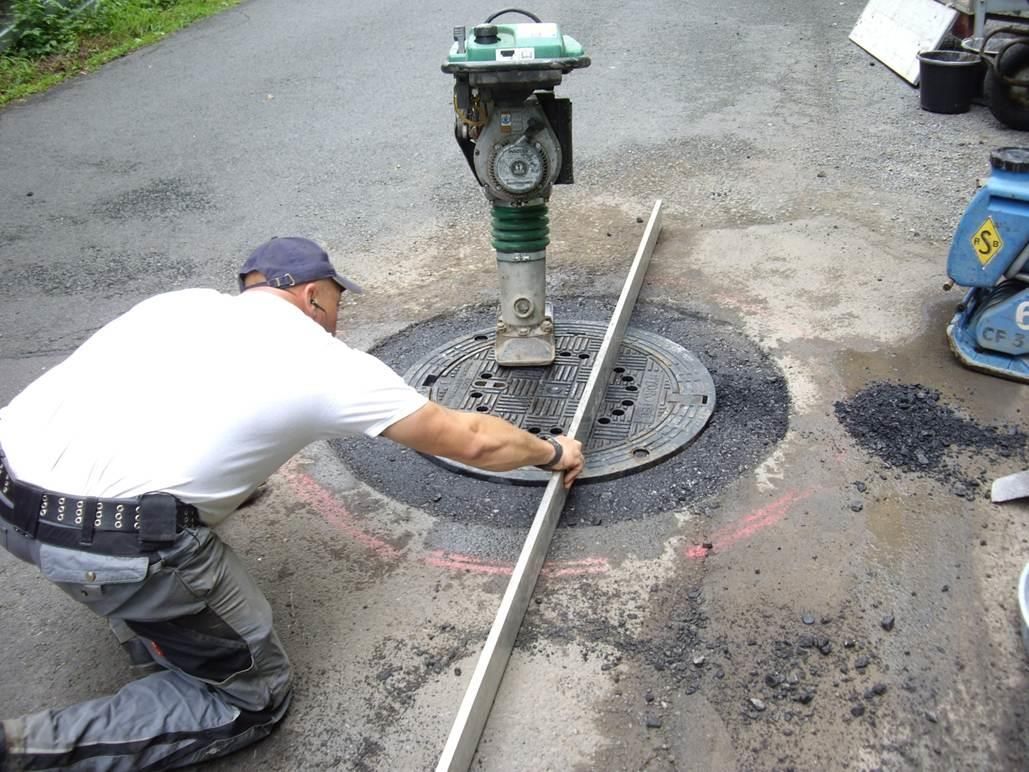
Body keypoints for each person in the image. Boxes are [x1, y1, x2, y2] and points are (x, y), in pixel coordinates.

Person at [0, 236, 584, 770]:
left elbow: (148, 395)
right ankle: (32, 746)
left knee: (132, 551)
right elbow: (474, 439)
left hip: (10, 492)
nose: (335, 321)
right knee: (252, 698)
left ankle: (149, 613)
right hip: (106, 543)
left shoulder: (178, 305)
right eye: (335, 304)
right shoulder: (324, 363)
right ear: (310, 296)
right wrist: (552, 450)